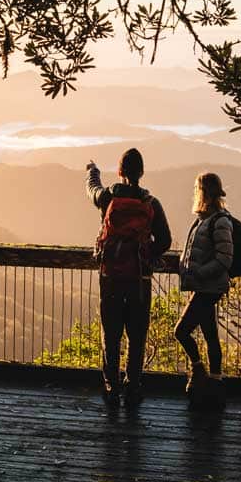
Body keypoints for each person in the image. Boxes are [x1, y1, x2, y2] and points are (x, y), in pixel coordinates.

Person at [86, 148, 172, 406]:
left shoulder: (108, 197)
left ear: (120, 171)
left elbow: (92, 189)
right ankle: (133, 386)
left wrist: (92, 172)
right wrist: (146, 255)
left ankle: (111, 386)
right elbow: (165, 240)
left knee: (110, 334)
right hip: (139, 280)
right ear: (142, 172)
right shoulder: (151, 203)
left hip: (110, 277)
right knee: (136, 335)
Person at [175, 172, 234, 404]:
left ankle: (198, 371)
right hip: (204, 286)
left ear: (203, 192)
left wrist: (199, 273)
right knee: (210, 335)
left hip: (208, 287)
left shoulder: (219, 221)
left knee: (181, 331)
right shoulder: (204, 219)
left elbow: (224, 259)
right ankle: (216, 383)